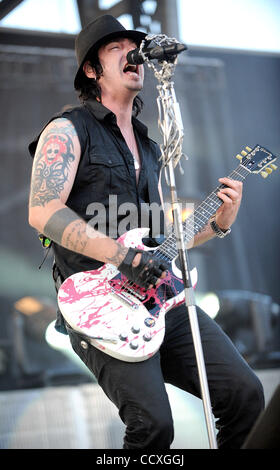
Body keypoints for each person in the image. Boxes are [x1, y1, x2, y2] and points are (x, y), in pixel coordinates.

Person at [28, 15, 264, 449]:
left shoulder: (151, 147)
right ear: (92, 70)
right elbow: (43, 212)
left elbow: (158, 239)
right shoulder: (67, 129)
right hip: (99, 304)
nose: (131, 54)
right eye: (115, 48)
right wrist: (122, 258)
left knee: (245, 396)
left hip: (159, 298)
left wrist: (218, 224)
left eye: (132, 46)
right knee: (154, 427)